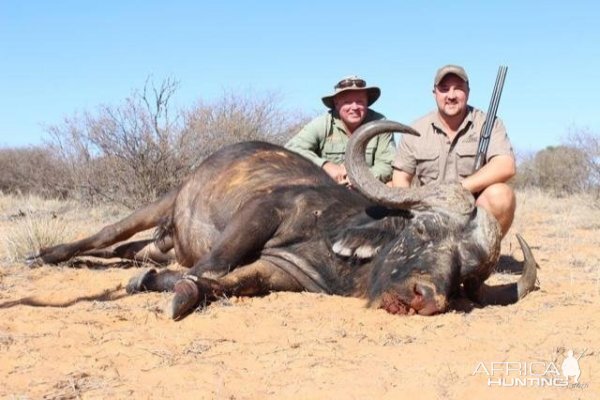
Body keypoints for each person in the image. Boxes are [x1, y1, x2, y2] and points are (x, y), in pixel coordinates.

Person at [392, 65, 516, 236]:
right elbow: (400, 179)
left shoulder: (488, 123)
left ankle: (484, 259)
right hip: (428, 214)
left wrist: (458, 190)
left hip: (471, 214)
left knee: (501, 195)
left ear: (468, 92)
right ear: (434, 93)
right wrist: (414, 211)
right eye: (444, 89)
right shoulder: (416, 129)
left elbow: (505, 165)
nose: (451, 96)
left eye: (458, 89)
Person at [285, 75, 396, 185]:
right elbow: (291, 149)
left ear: (367, 103)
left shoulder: (379, 123)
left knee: (392, 185)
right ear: (336, 104)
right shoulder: (323, 123)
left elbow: (386, 164)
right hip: (327, 189)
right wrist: (325, 166)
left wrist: (358, 179)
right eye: (347, 102)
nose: (354, 107)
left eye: (360, 101)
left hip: (366, 189)